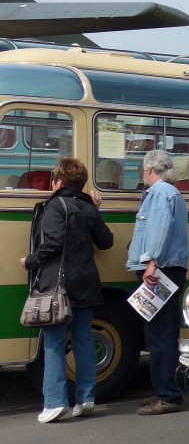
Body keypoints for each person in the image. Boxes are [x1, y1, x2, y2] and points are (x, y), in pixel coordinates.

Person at [20, 158, 113, 423]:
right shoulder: (88, 207)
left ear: (58, 182)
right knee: (83, 340)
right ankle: (86, 399)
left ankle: (55, 402)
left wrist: (30, 261)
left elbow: (53, 243)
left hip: (58, 285)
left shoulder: (54, 205)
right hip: (86, 282)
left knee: (54, 343)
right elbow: (106, 241)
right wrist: (97, 211)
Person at [126, 149, 189, 415]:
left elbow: (159, 228)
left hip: (160, 269)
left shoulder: (161, 193)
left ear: (149, 169)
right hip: (165, 269)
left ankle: (168, 396)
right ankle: (165, 391)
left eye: (143, 170)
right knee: (162, 333)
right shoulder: (168, 192)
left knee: (160, 336)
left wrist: (151, 261)